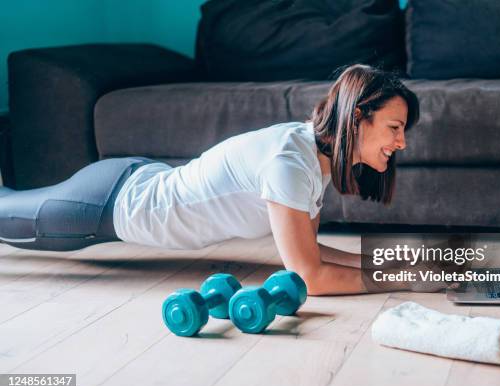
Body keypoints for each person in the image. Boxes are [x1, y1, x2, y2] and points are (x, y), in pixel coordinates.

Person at [0, 64, 446, 295]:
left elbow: (308, 253)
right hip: (105, 206)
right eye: (394, 127)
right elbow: (309, 277)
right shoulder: (290, 163)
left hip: (131, 181)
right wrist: (408, 279)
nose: (402, 142)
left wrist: (393, 265)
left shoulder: (315, 156)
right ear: (358, 120)